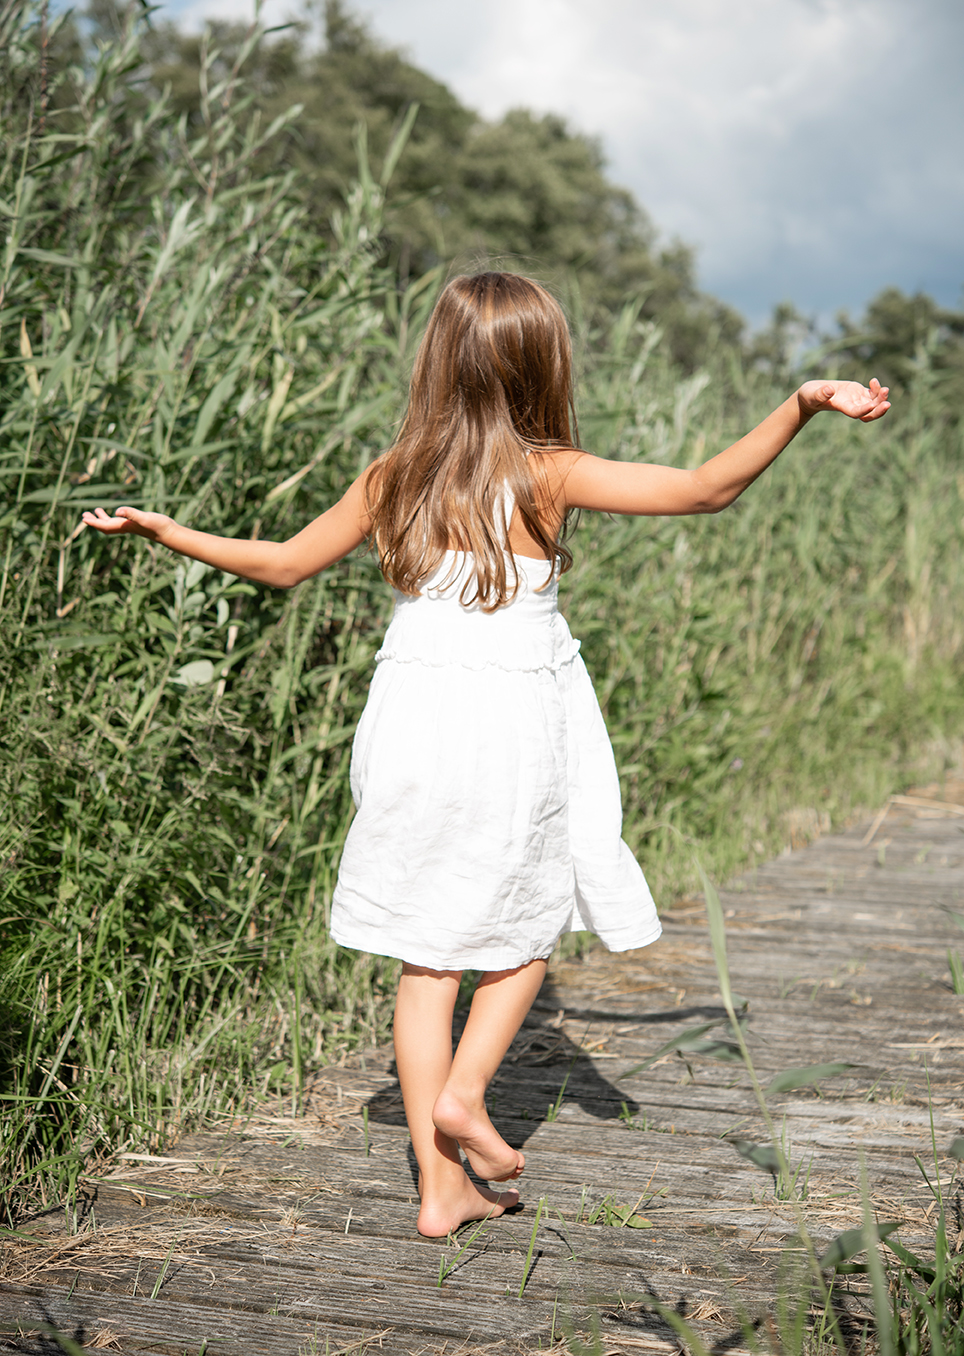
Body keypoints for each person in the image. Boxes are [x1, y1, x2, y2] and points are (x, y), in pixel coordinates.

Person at [83, 271, 890, 1237]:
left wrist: (172, 532)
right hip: (508, 725)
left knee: (428, 959)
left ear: (439, 362)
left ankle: (439, 1189)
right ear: (539, 363)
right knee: (532, 918)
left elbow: (284, 563)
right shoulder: (546, 471)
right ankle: (468, 1095)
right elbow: (704, 489)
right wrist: (800, 402)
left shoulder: (395, 477)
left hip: (411, 721)